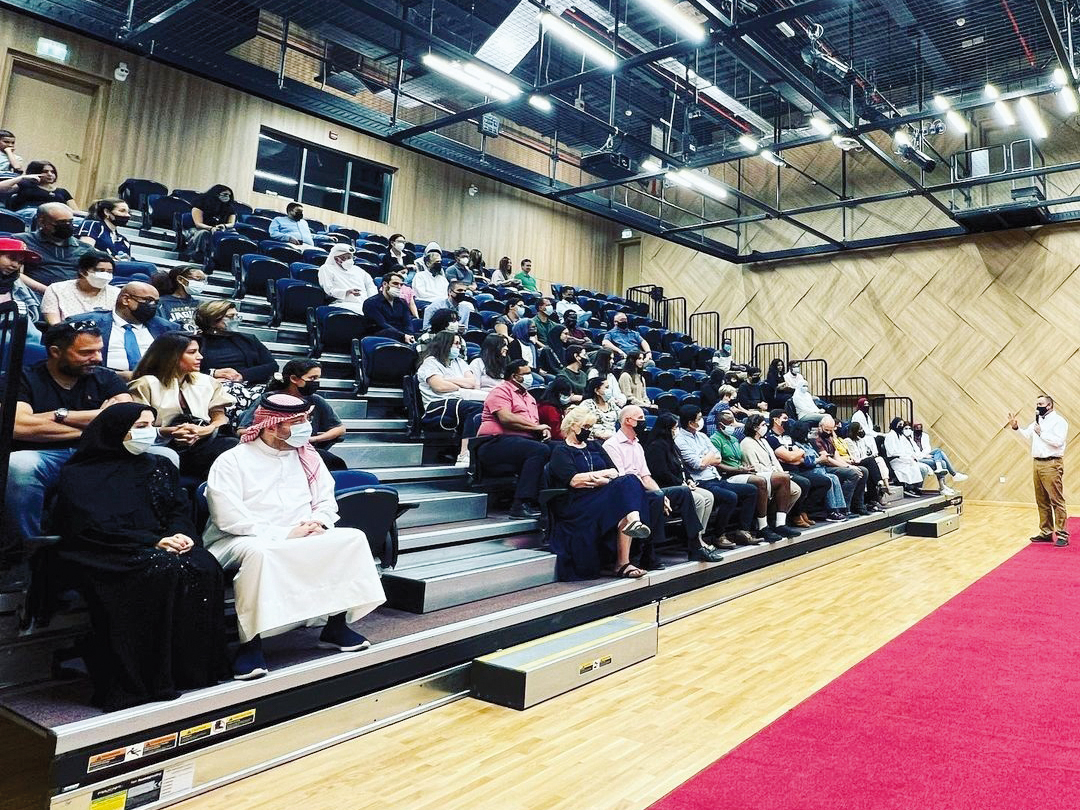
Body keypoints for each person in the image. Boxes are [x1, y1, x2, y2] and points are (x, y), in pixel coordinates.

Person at [51, 403, 227, 710]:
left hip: (159, 545)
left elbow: (177, 509)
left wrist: (182, 534)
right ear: (117, 431)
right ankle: (144, 679)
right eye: (141, 426)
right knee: (159, 570)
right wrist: (154, 540)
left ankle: (188, 672)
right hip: (104, 550)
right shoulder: (79, 473)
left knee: (202, 564)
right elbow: (90, 527)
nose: (150, 433)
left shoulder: (159, 465)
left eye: (151, 425)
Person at [205, 393, 386, 679]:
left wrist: (319, 522)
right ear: (271, 426)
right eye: (298, 422)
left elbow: (326, 499)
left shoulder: (307, 456)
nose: (306, 428)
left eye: (306, 420)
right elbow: (228, 517)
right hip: (242, 538)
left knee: (350, 538)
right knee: (261, 555)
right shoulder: (232, 461)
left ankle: (335, 625)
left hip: (304, 530)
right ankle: (250, 644)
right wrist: (284, 533)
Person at [3, 322, 132, 551]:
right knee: (18, 466)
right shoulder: (22, 378)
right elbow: (18, 426)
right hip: (42, 454)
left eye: (99, 350)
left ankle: (131, 544)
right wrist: (99, 421)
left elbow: (129, 420)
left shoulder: (105, 377)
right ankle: (26, 549)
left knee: (164, 455)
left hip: (97, 452)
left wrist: (56, 417)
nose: (98, 358)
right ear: (55, 351)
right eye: (86, 352)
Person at [605, 406, 722, 563]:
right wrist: (659, 494)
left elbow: (646, 477)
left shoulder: (637, 445)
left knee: (683, 492)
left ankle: (695, 546)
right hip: (627, 495)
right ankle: (649, 552)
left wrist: (660, 492)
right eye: (640, 418)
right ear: (628, 421)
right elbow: (623, 480)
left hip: (646, 490)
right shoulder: (611, 445)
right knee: (657, 498)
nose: (644, 422)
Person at [547, 406, 653, 579]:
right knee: (627, 487)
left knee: (630, 479)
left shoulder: (595, 445)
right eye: (586, 427)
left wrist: (602, 480)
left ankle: (626, 553)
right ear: (574, 426)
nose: (588, 431)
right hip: (576, 502)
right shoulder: (561, 450)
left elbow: (615, 472)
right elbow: (574, 480)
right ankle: (625, 553)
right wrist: (602, 475)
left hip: (598, 494)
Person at [129, 332, 238, 479]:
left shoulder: (207, 382)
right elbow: (135, 430)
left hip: (199, 443)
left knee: (232, 444)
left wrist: (204, 430)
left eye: (198, 351)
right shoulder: (145, 384)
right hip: (160, 444)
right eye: (192, 352)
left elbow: (220, 418)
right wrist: (173, 431)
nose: (200, 357)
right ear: (171, 356)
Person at [645, 411, 737, 551]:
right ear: (666, 429)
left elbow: (682, 467)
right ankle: (693, 540)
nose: (676, 431)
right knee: (699, 499)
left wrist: (688, 479)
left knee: (708, 497)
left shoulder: (672, 445)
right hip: (669, 487)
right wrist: (681, 483)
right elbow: (661, 473)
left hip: (682, 484)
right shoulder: (655, 447)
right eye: (674, 428)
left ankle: (700, 535)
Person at [475, 360, 552, 518]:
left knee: (561, 449)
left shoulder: (529, 397)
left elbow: (533, 424)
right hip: (493, 443)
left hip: (522, 442)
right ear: (513, 376)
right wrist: (537, 428)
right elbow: (506, 418)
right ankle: (519, 505)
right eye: (525, 374)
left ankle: (549, 500)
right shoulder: (500, 391)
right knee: (538, 450)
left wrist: (542, 431)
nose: (530, 377)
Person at [239, 359, 346, 471]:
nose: (316, 382)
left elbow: (339, 429)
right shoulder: (269, 400)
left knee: (333, 463)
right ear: (294, 379)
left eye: (318, 378)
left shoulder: (315, 400)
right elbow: (242, 430)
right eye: (312, 378)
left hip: (304, 451)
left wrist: (312, 439)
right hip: (270, 452)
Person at [672, 405, 758, 545]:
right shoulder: (680, 440)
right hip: (701, 482)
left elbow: (717, 458)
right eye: (699, 418)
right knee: (730, 497)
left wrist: (706, 458)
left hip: (716, 478)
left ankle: (743, 531)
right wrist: (707, 458)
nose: (702, 421)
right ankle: (719, 535)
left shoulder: (702, 436)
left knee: (751, 490)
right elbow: (697, 464)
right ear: (690, 423)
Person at [71, 281, 180, 381]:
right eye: (148, 300)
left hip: (153, 383)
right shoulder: (86, 323)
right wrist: (115, 375)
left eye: (156, 302)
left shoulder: (167, 328)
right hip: (100, 381)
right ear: (125, 300)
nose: (153, 306)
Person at [709, 410, 790, 541]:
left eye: (732, 422)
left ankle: (780, 524)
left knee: (779, 479)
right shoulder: (715, 439)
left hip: (741, 471)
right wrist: (739, 470)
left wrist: (745, 468)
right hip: (727, 476)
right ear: (720, 425)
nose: (732, 426)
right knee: (759, 481)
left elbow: (739, 460)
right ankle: (762, 527)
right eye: (728, 424)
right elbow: (717, 464)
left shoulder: (734, 439)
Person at [194, 300, 276, 422]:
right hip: (214, 388)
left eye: (237, 316)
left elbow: (272, 366)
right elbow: (182, 370)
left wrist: (242, 375)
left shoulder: (248, 339)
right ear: (213, 320)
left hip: (250, 385)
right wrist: (213, 373)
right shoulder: (195, 342)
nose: (236, 319)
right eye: (231, 316)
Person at [417, 330, 486, 466]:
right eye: (455, 344)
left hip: (459, 399)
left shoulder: (459, 362)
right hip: (436, 404)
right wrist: (461, 384)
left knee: (487, 406)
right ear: (445, 344)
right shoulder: (430, 363)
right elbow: (439, 387)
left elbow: (472, 383)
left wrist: (448, 380)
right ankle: (464, 454)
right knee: (475, 407)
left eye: (459, 344)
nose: (459, 347)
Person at [1008, 395, 1068, 546]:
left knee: (1056, 500)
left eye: (1040, 404)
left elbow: (1058, 442)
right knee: (1041, 500)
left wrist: (1042, 433)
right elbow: (1027, 434)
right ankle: (1046, 532)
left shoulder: (1059, 421)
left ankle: (1062, 535)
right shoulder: (1037, 421)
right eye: (1037, 404)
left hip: (1051, 463)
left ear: (1049, 406)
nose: (1037, 407)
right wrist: (1016, 428)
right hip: (1037, 463)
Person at [736, 413, 803, 538]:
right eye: (762, 425)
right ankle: (767, 523)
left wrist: (781, 472)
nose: (765, 427)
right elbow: (754, 466)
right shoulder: (746, 443)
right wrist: (774, 473)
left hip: (774, 474)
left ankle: (776, 520)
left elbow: (774, 460)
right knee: (783, 481)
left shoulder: (764, 441)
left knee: (796, 490)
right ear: (755, 427)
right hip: (760, 475)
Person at [765, 410, 828, 526]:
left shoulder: (788, 437)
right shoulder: (770, 438)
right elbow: (789, 457)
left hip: (797, 468)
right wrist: (793, 457)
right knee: (804, 483)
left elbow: (799, 456)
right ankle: (795, 515)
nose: (787, 421)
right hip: (784, 471)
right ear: (776, 420)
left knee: (825, 481)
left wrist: (795, 455)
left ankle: (804, 510)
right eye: (784, 418)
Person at [13, 202, 92, 293]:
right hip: (34, 293)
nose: (67, 225)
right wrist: (49, 291)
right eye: (61, 222)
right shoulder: (21, 241)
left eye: (70, 222)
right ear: (41, 222)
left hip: (74, 296)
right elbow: (16, 274)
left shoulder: (85, 248)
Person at [784, 419, 848, 522]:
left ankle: (840, 508)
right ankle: (830, 510)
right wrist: (818, 459)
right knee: (828, 479)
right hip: (806, 469)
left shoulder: (807, 443)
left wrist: (819, 458)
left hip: (817, 466)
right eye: (807, 432)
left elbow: (811, 456)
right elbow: (802, 461)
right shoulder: (795, 444)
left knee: (834, 477)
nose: (809, 434)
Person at [41, 250, 119, 325]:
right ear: (83, 271)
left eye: (109, 272)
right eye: (100, 270)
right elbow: (54, 324)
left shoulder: (117, 294)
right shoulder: (56, 289)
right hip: (67, 335)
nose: (105, 275)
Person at [816, 415, 870, 513]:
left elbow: (836, 456)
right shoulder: (816, 439)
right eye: (826, 430)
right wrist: (847, 466)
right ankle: (845, 508)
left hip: (834, 464)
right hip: (824, 467)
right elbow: (827, 459)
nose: (828, 432)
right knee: (853, 473)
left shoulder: (829, 438)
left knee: (863, 471)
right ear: (820, 427)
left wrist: (851, 466)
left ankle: (858, 505)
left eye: (830, 430)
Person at [884, 417, 945, 496]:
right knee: (919, 468)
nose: (901, 426)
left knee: (921, 466)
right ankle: (909, 487)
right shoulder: (891, 436)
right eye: (900, 425)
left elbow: (908, 450)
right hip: (897, 461)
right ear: (895, 424)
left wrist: (910, 457)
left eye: (902, 425)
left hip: (906, 459)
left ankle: (914, 487)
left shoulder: (899, 435)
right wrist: (906, 457)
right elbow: (892, 452)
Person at [0, 236, 44, 338]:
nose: (16, 265)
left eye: (20, 262)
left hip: (17, 330)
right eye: (11, 258)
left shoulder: (15, 282)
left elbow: (32, 314)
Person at [5, 161, 77, 219]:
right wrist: (21, 178)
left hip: (58, 217)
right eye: (45, 172)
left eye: (52, 172)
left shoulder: (62, 192)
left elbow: (75, 211)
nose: (50, 174)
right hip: (31, 214)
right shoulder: (25, 186)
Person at [318, 244, 376, 313]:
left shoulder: (358, 270)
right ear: (336, 259)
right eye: (345, 258)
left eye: (350, 257)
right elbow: (329, 290)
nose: (349, 260)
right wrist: (347, 292)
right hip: (343, 304)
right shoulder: (327, 268)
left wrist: (370, 300)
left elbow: (370, 285)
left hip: (363, 304)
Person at [185, 184, 237, 260]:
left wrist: (224, 226)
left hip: (220, 229)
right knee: (203, 233)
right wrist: (211, 228)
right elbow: (198, 224)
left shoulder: (230, 207)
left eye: (229, 195)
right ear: (216, 194)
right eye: (225, 194)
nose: (227, 197)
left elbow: (231, 223)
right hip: (200, 229)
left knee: (234, 234)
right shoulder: (200, 203)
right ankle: (197, 256)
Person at [846, 420, 892, 504]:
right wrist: (867, 458)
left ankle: (883, 486)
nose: (861, 431)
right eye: (859, 429)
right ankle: (879, 483)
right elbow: (854, 455)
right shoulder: (848, 441)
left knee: (879, 459)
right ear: (854, 430)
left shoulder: (860, 440)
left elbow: (864, 453)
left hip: (864, 460)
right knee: (871, 461)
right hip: (856, 461)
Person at [363, 271, 416, 343]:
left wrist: (409, 335)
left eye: (401, 285)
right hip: (381, 336)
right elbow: (382, 324)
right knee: (389, 332)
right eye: (395, 284)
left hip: (402, 334)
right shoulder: (371, 303)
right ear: (385, 284)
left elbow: (407, 323)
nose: (399, 287)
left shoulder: (402, 302)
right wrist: (403, 336)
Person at [153, 264, 207, 330]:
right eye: (197, 279)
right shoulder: (161, 303)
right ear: (180, 279)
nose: (201, 283)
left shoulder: (201, 304)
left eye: (203, 280)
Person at [508, 319, 548, 387]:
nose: (534, 329)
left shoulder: (532, 344)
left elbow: (536, 361)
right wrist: (536, 370)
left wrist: (539, 369)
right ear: (523, 329)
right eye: (531, 327)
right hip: (523, 372)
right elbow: (517, 363)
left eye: (535, 327)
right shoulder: (515, 344)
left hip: (535, 371)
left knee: (553, 379)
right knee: (540, 380)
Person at [579, 376, 619, 441]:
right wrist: (598, 434)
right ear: (597, 391)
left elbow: (622, 416)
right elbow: (580, 424)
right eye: (606, 388)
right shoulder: (587, 404)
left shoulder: (611, 403)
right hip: (595, 441)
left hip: (613, 439)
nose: (609, 390)